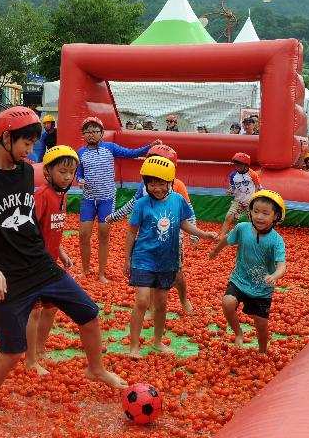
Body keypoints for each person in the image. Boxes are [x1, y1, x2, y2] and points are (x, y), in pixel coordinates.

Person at [0, 107, 126, 415]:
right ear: (6, 138)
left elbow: (28, 219)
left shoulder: (26, 171)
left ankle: (96, 369)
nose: (30, 150)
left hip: (42, 265)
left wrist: (56, 248)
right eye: (26, 142)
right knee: (12, 352)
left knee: (89, 314)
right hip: (9, 276)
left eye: (34, 143)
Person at [124, 156, 217, 356]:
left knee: (161, 303)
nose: (156, 188)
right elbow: (132, 232)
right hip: (143, 258)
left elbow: (183, 222)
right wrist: (127, 259)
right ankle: (134, 346)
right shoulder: (141, 204)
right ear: (146, 184)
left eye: (161, 183)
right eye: (151, 184)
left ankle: (157, 341)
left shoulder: (178, 200)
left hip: (168, 259)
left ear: (170, 183)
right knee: (141, 301)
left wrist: (201, 234)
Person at [107, 144, 199, 316]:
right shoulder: (145, 185)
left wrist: (194, 234)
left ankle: (183, 299)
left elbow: (189, 212)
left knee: (178, 274)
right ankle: (151, 307)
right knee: (148, 272)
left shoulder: (177, 186)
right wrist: (115, 216)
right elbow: (133, 205)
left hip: (172, 238)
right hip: (148, 238)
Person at [77, 117, 157, 283]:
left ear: (101, 133)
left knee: (104, 234)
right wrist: (79, 180)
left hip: (106, 199)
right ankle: (85, 270)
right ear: (83, 134)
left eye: (95, 131)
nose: (91, 135)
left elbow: (131, 153)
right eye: (88, 132)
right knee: (84, 234)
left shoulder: (110, 148)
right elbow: (79, 173)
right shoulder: (81, 153)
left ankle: (101, 274)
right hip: (88, 200)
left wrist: (148, 147)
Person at [23, 145, 79, 375]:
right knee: (34, 312)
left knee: (51, 307)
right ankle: (30, 360)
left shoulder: (62, 196)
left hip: (50, 265)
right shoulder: (42, 196)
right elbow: (28, 231)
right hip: (34, 265)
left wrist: (61, 253)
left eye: (71, 172)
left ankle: (40, 349)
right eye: (62, 171)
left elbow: (52, 230)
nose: (67, 177)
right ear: (47, 172)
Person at [209, 190, 287, 354]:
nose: (259, 216)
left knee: (261, 324)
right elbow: (226, 239)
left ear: (276, 216)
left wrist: (274, 276)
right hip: (240, 280)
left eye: (265, 213)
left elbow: (282, 265)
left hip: (262, 289)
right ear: (250, 211)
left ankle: (262, 350)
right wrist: (216, 251)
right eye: (255, 211)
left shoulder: (276, 240)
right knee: (227, 303)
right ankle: (238, 333)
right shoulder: (242, 228)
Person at [220, 152, 262, 238]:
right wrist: (230, 191)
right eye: (235, 164)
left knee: (252, 220)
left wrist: (264, 194)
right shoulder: (233, 175)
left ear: (246, 165)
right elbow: (232, 187)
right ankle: (222, 237)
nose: (237, 166)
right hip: (238, 201)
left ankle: (254, 237)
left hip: (250, 201)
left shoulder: (253, 174)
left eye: (239, 164)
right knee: (228, 217)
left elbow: (259, 186)